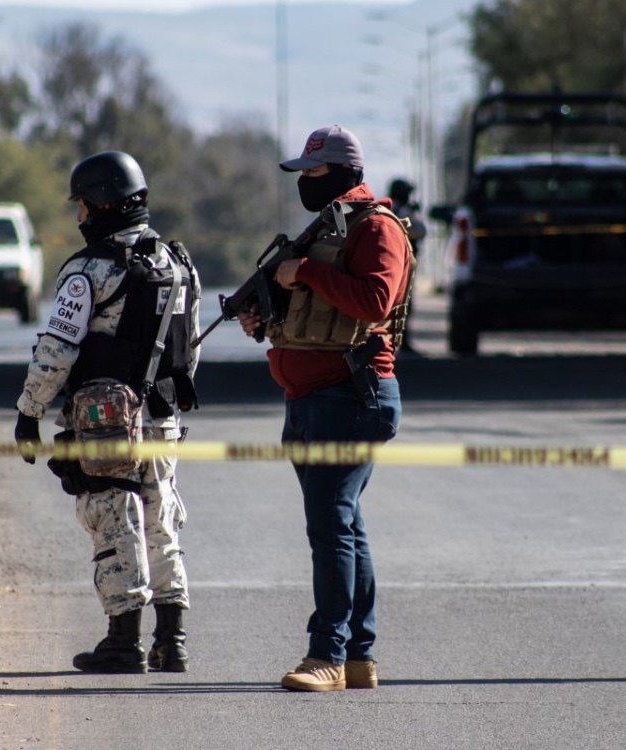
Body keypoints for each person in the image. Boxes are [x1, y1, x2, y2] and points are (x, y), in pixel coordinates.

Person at [238, 125, 414, 692]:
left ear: (343, 173)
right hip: (309, 398)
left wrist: (305, 271)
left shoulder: (377, 229)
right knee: (344, 525)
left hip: (351, 396)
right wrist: (265, 317)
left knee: (331, 525)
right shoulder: (323, 231)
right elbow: (310, 310)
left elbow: (375, 300)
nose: (305, 185)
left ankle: (328, 655)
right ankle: (360, 657)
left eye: (313, 174)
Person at [14, 151, 200, 674]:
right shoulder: (179, 262)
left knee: (115, 524)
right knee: (161, 519)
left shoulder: (86, 270)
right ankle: (172, 640)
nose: (79, 218)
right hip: (161, 417)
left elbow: (57, 349)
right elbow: (187, 351)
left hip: (103, 424)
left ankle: (123, 642)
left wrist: (28, 411)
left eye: (82, 206)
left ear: (102, 204)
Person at [386, 178, 427, 354]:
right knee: (398, 304)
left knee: (402, 304)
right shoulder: (398, 209)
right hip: (398, 263)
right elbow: (419, 231)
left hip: (400, 263)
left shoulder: (393, 208)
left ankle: (400, 340)